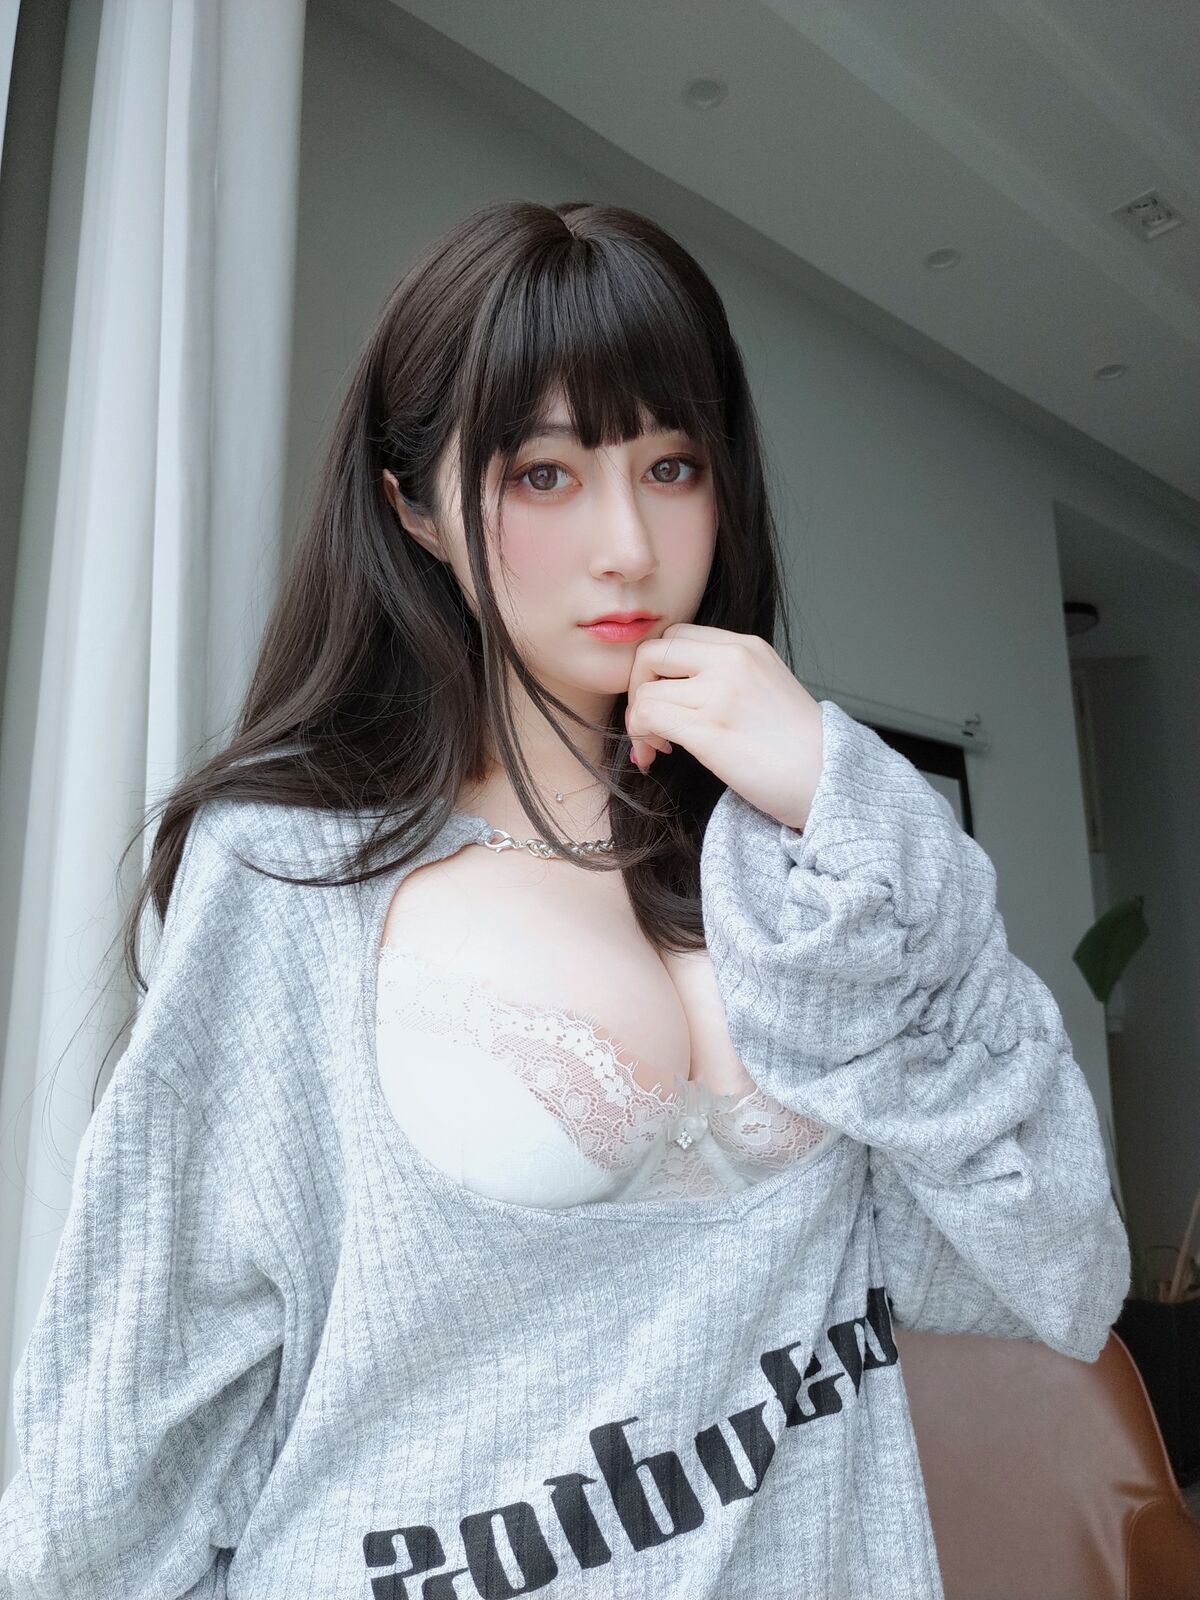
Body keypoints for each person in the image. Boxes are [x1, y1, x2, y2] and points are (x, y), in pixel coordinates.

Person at [0, 199, 1130, 1599]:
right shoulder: (291, 874)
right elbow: (116, 1465)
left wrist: (856, 802)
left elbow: (1059, 1267)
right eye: (544, 474)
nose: (628, 544)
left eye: (672, 465)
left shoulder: (804, 876)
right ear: (415, 507)